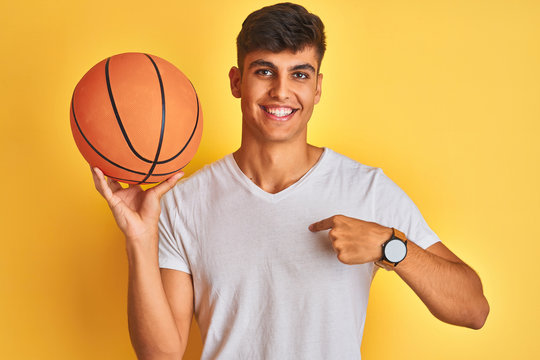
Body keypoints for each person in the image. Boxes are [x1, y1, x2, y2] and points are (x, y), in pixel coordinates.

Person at [92, 2, 489, 359]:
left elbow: (473, 309)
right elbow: (161, 355)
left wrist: (390, 246)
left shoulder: (366, 190)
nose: (281, 91)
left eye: (299, 74)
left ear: (317, 88)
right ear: (236, 82)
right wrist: (139, 240)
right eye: (264, 71)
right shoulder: (184, 201)